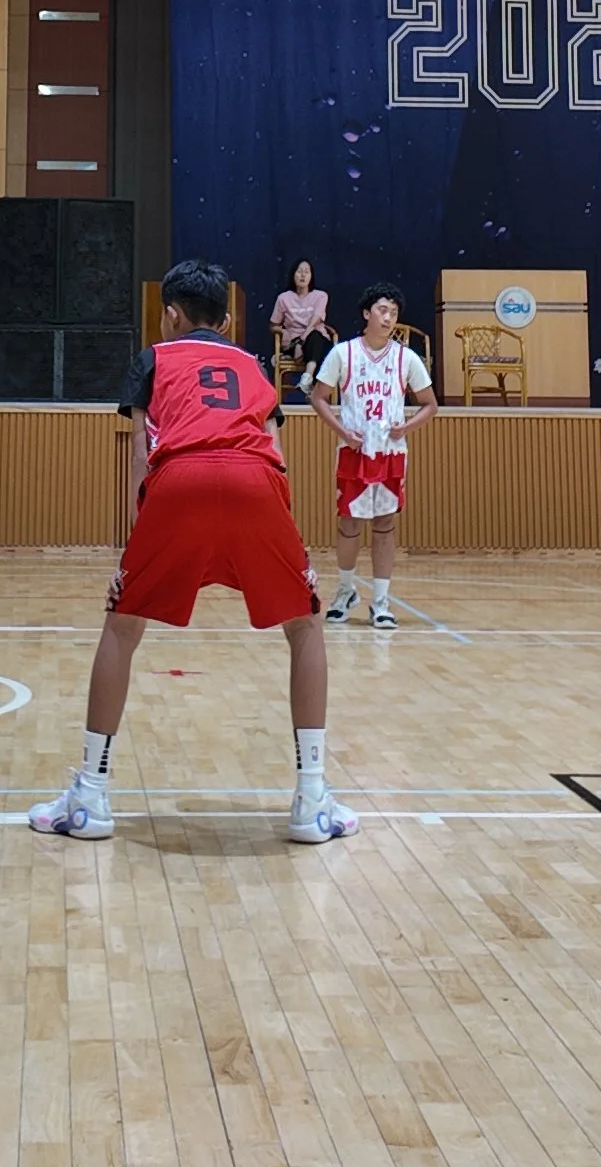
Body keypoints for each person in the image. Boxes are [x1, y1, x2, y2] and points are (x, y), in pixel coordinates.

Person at [29, 255, 357, 845]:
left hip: (179, 479)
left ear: (170, 317)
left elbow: (139, 455)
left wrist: (136, 547)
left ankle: (91, 797)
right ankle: (311, 801)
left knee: (121, 627)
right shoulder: (255, 364)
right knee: (306, 627)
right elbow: (277, 454)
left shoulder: (155, 358)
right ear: (228, 322)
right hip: (257, 481)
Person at [310, 284, 437, 629]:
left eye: (394, 313)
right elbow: (319, 397)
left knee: (384, 526)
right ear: (367, 313)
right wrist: (341, 431)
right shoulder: (343, 354)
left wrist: (407, 428)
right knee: (350, 524)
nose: (389, 317)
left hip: (391, 453)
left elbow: (430, 404)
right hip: (354, 451)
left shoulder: (405, 358)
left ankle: (380, 601)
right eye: (382, 310)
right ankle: (346, 591)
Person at [270, 258, 332, 395]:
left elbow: (315, 322)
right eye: (299, 271)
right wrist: (281, 331)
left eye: (306, 272)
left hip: (316, 339)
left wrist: (301, 342)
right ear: (293, 275)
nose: (303, 275)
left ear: (311, 276)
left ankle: (307, 379)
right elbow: (273, 325)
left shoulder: (321, 296)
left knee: (315, 337)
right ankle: (313, 390)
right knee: (321, 350)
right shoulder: (283, 298)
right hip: (293, 344)